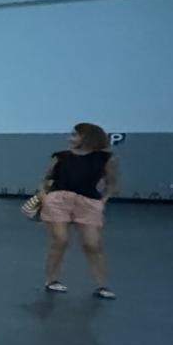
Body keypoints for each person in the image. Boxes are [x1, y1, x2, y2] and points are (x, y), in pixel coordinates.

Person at [40, 122, 118, 298]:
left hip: (88, 202)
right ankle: (51, 280)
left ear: (88, 137)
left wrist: (102, 201)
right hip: (58, 200)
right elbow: (44, 180)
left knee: (93, 244)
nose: (70, 138)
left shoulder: (106, 159)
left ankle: (102, 285)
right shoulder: (60, 157)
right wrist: (46, 198)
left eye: (75, 135)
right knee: (60, 240)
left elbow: (112, 183)